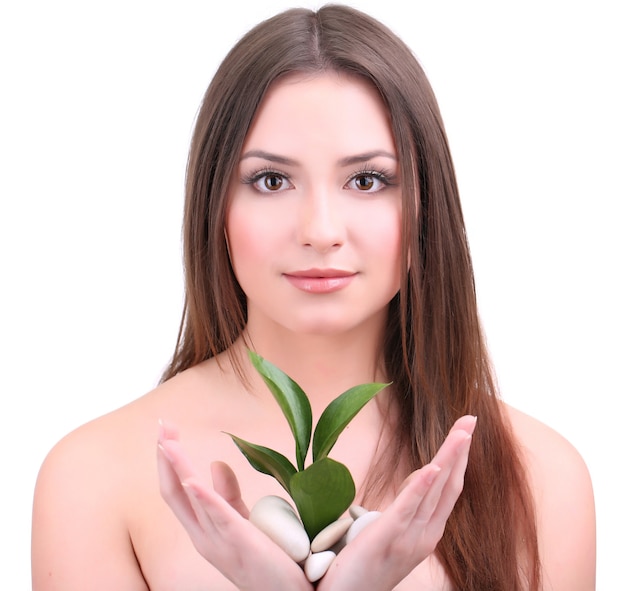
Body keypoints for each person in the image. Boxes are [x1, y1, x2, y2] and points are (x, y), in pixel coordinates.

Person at [31, 4, 596, 590]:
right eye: (272, 181)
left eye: (367, 180)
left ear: (427, 205)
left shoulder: (542, 479)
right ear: (214, 208)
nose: (320, 229)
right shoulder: (94, 477)